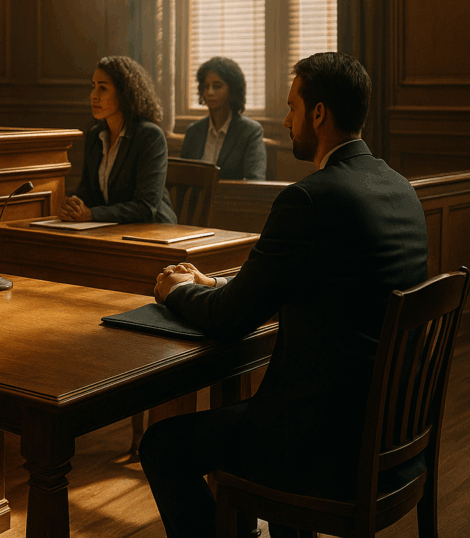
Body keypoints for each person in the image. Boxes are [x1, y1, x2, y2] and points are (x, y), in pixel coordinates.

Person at [140, 52, 429, 538]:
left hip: (324, 446)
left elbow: (231, 319)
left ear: (319, 114)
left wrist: (176, 291)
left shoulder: (311, 197)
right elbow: (314, 282)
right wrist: (214, 282)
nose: (289, 119)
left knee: (162, 447)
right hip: (393, 434)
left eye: (293, 107)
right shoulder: (397, 186)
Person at [60, 56, 176, 224]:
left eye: (102, 88)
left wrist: (92, 214)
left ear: (124, 93)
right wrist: (73, 205)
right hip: (112, 229)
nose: (93, 95)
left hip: (153, 232)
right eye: (93, 87)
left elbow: (146, 207)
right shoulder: (95, 135)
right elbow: (87, 192)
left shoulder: (150, 136)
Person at [180, 56, 266, 180]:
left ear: (232, 90)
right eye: (206, 86)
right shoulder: (193, 131)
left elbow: (255, 180)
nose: (210, 92)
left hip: (232, 198)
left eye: (217, 86)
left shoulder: (250, 131)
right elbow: (181, 178)